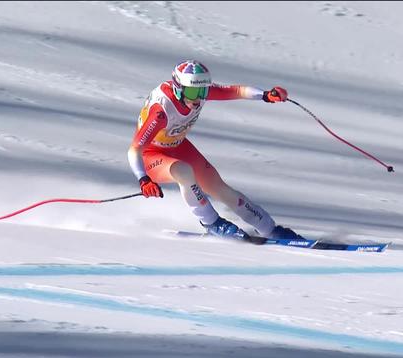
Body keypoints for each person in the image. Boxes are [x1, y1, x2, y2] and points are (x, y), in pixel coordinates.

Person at [127, 60, 304, 241]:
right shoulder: (161, 112)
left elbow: (236, 91)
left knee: (220, 189)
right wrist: (143, 179)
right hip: (150, 156)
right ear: (178, 88)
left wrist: (266, 95)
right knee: (184, 172)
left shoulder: (197, 91)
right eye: (192, 92)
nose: (198, 98)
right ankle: (211, 222)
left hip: (177, 145)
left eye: (203, 91)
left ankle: (269, 228)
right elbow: (135, 149)